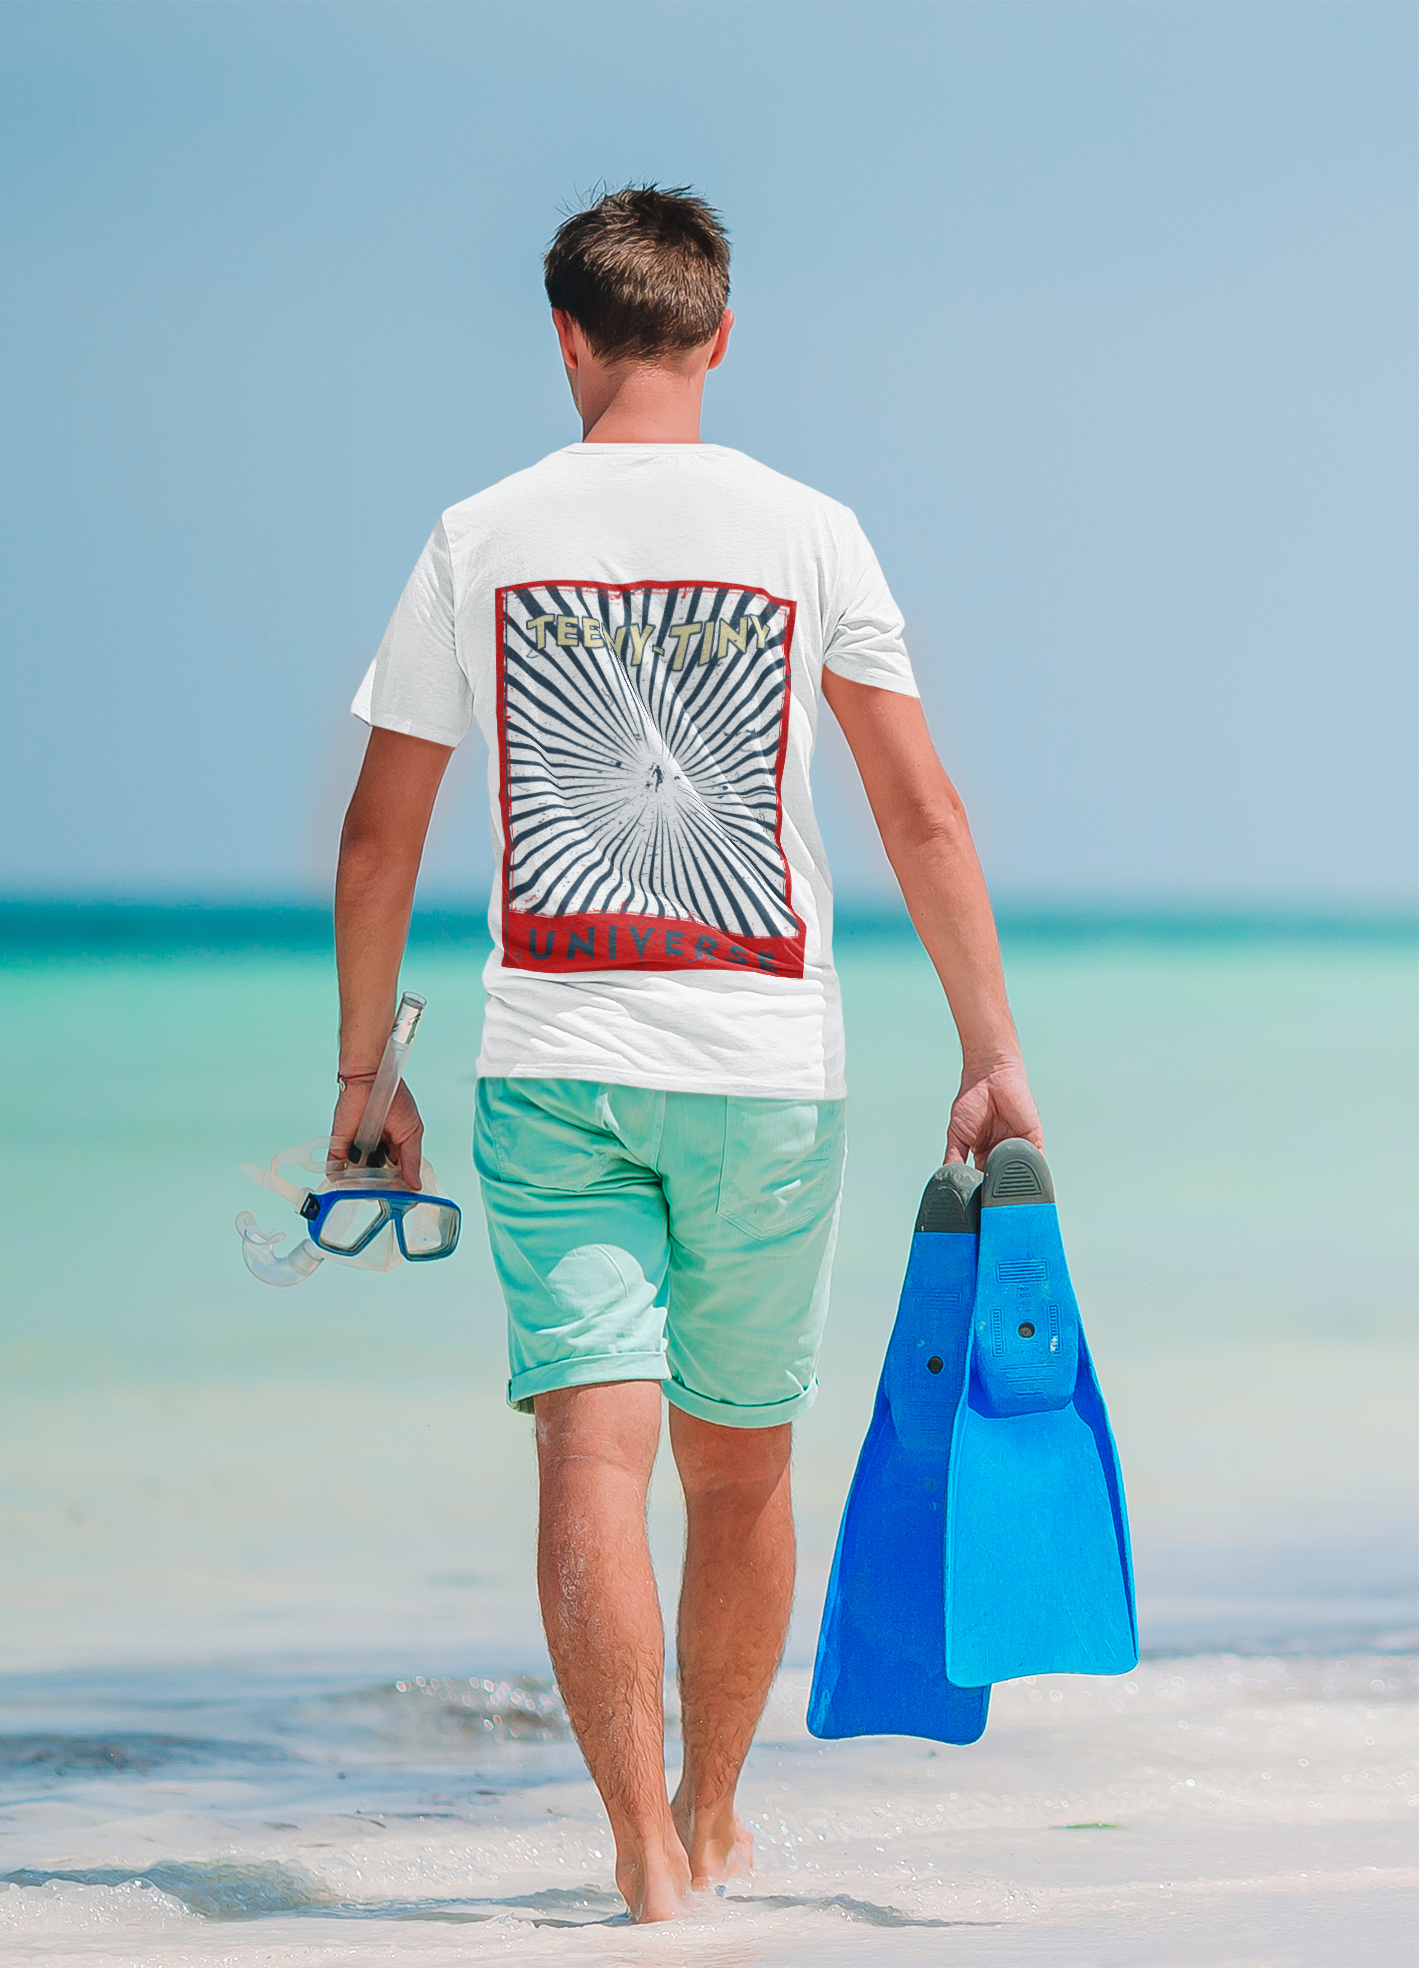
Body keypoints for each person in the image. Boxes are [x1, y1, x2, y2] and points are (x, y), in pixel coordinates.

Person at [330, 184, 1042, 1923]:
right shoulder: (812, 532)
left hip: (554, 1056)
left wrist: (364, 1082)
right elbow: (919, 805)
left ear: (565, 335)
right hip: (765, 1071)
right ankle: (712, 1818)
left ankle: (641, 1852)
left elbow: (376, 836)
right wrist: (992, 1047)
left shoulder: (475, 534)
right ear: (720, 333)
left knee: (591, 1460)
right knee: (740, 1468)